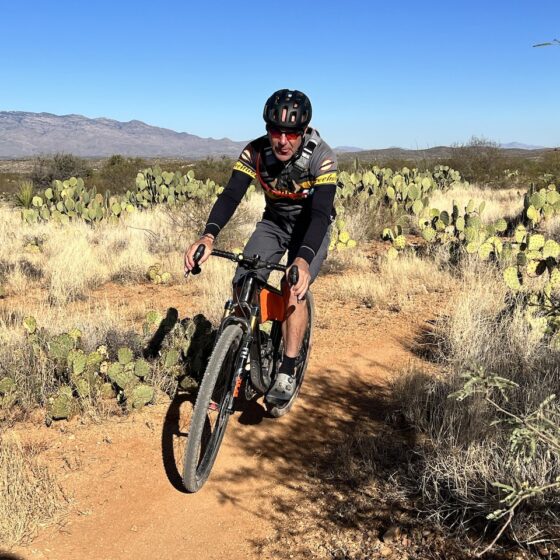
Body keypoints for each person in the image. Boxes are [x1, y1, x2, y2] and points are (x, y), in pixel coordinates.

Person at [184, 89, 338, 402]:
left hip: (310, 230)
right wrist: (208, 235)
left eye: (291, 133)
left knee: (291, 286)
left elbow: (321, 214)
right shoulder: (254, 152)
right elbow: (230, 195)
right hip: (274, 224)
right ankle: (242, 357)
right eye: (276, 132)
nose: (283, 141)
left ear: (304, 131)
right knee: (243, 278)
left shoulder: (322, 157)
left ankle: (287, 367)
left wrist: (303, 260)